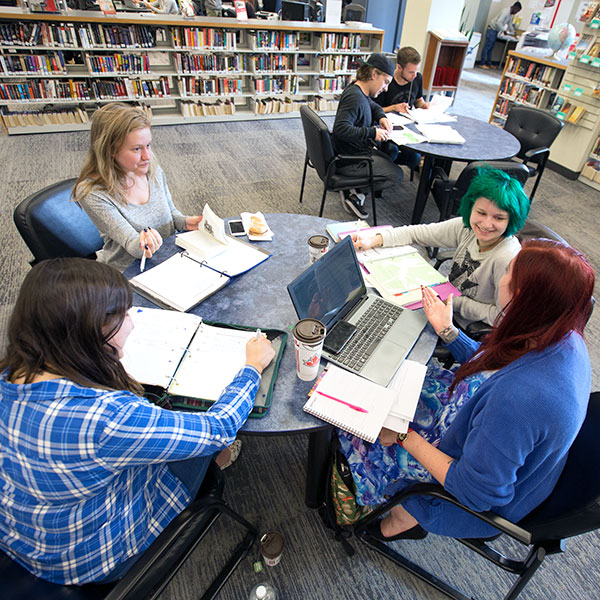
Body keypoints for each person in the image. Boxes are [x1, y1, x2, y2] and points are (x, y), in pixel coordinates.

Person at [0, 258, 275, 584]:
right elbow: (219, 428)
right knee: (202, 435)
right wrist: (252, 367)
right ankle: (221, 460)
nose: (131, 324)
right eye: (122, 317)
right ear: (89, 335)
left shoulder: (12, 373)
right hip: (88, 557)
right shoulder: (105, 418)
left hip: (30, 535)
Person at [339, 238, 594, 540]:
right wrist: (449, 332)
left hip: (461, 492)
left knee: (354, 419)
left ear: (521, 296)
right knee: (390, 377)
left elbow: (476, 493)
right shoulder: (561, 334)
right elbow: (495, 368)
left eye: (508, 272)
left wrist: (403, 436)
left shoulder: (519, 402)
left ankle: (399, 519)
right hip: (475, 428)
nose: (502, 277)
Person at [353, 166, 530, 328]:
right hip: (442, 302)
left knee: (382, 324)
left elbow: (503, 317)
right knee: (374, 300)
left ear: (511, 220)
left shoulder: (506, 258)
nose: (486, 224)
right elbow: (418, 233)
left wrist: (453, 301)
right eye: (481, 213)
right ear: (471, 207)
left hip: (462, 326)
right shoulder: (467, 227)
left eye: (499, 218)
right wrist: (375, 239)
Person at [73, 103, 203, 273]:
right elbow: (132, 244)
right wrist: (144, 244)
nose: (147, 156)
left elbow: (170, 213)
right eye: (136, 149)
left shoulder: (151, 169)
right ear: (110, 150)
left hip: (168, 259)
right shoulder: (93, 193)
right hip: (130, 272)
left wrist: (185, 222)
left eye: (148, 145)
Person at [332, 53, 404, 220]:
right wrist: (373, 132)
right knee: (396, 174)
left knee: (387, 157)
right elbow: (340, 129)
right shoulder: (355, 98)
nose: (386, 88)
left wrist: (381, 116)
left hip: (355, 152)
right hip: (350, 159)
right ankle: (355, 192)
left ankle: (353, 189)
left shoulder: (359, 90)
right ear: (373, 74)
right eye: (385, 82)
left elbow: (373, 105)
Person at [374, 46, 430, 173]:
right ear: (399, 67)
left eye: (416, 71)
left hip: (408, 126)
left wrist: (424, 105)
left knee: (415, 157)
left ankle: (390, 170)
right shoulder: (387, 81)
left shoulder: (417, 78)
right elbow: (374, 109)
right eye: (411, 72)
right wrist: (393, 108)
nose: (414, 75)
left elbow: (418, 100)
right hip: (386, 126)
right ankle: (382, 175)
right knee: (391, 151)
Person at [481, 2, 522, 69]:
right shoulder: (506, 12)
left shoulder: (510, 14)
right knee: (487, 46)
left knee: (491, 48)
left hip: (495, 30)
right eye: (517, 11)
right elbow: (498, 22)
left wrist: (513, 32)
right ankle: (482, 63)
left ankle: (488, 63)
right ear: (515, 7)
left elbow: (509, 24)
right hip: (492, 29)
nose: (516, 13)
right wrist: (503, 30)